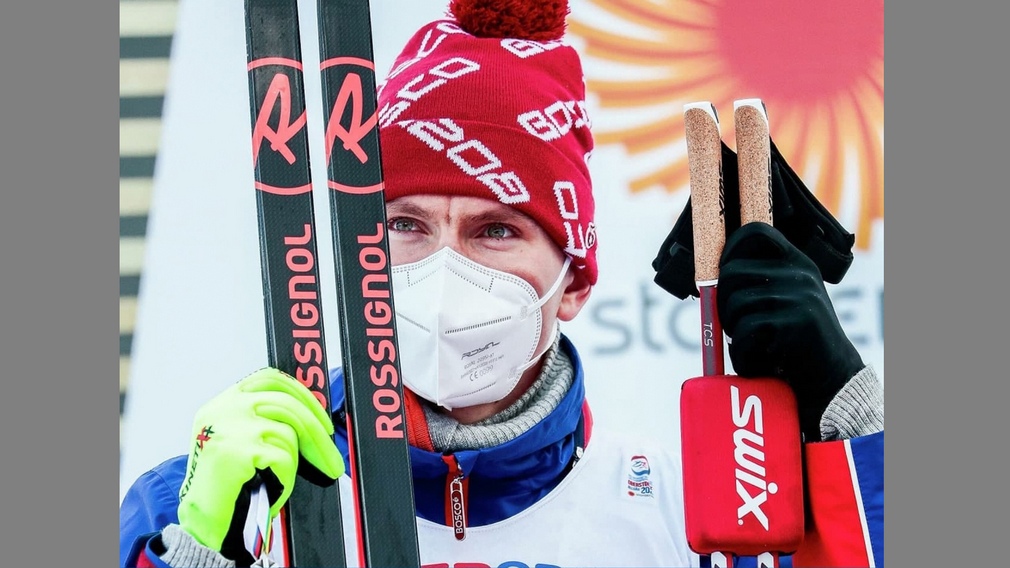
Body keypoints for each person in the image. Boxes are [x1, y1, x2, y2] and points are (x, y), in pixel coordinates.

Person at [120, 1, 884, 567]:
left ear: (573, 282)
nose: (443, 267)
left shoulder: (698, 514)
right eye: (405, 224)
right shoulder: (212, 503)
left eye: (495, 231)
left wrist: (854, 426)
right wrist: (200, 553)